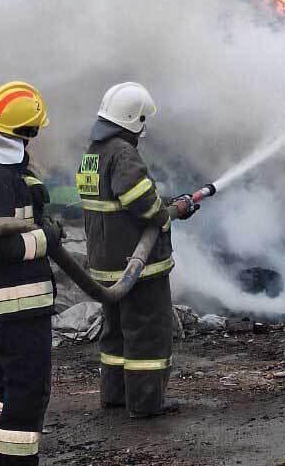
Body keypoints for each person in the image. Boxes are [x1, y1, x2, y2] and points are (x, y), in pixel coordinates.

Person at [76, 82, 197, 419]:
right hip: (137, 266)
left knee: (115, 333)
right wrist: (169, 212)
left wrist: (166, 204)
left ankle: (115, 395)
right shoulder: (122, 153)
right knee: (147, 333)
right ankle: (146, 403)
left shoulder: (93, 153)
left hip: (105, 263)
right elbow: (140, 202)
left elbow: (115, 199)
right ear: (133, 119)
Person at [0, 81, 63, 465]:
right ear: (23, 132)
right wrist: (47, 238)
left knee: (3, 388)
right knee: (27, 393)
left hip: (1, 304)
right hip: (17, 305)